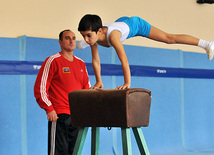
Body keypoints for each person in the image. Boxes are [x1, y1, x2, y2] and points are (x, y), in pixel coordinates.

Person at [77, 14, 214, 90]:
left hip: (135, 25)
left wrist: (127, 83)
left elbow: (124, 60)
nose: (87, 39)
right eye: (84, 36)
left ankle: (207, 44)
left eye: (88, 35)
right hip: (120, 22)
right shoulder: (94, 39)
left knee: (168, 38)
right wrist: (99, 82)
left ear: (99, 31)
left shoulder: (113, 37)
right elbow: (96, 60)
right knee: (92, 43)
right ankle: (84, 42)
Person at [34, 29, 90, 155]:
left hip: (77, 116)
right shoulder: (53, 61)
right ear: (60, 42)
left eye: (74, 38)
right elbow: (40, 88)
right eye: (67, 38)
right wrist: (49, 109)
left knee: (74, 152)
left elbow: (86, 91)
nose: (71, 41)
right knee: (59, 152)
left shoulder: (81, 64)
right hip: (60, 116)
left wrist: (87, 113)